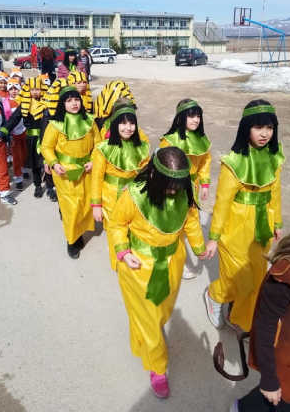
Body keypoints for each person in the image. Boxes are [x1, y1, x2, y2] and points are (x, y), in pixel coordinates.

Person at [107, 147, 211, 398]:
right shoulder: (133, 194)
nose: (173, 191)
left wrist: (199, 248)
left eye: (177, 186)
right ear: (153, 175)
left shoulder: (184, 191)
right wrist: (123, 251)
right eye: (169, 185)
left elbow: (191, 220)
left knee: (161, 312)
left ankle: (141, 338)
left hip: (173, 261)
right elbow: (117, 223)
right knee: (152, 320)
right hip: (139, 267)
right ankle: (158, 368)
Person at [228, 181, 290, 412]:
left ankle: (245, 406)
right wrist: (269, 379)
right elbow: (265, 327)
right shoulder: (289, 274)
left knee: (286, 397)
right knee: (284, 397)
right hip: (287, 362)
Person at [205, 100, 284, 334]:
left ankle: (241, 318)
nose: (265, 134)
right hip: (236, 228)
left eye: (269, 128)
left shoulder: (274, 156)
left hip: (262, 228)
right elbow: (222, 203)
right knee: (239, 279)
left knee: (257, 278)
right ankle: (214, 295)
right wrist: (213, 236)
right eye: (258, 127)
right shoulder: (234, 162)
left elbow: (276, 192)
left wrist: (278, 222)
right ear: (246, 128)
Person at [40, 85, 101, 258]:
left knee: (83, 205)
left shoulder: (90, 120)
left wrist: (92, 160)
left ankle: (79, 232)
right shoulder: (56, 125)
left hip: (86, 170)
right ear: (62, 104)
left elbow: (98, 143)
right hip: (65, 173)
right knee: (71, 207)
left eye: (76, 99)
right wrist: (53, 162)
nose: (74, 103)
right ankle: (71, 239)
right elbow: (46, 147)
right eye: (69, 100)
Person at [90, 103, 150, 267]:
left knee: (132, 228)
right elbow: (96, 178)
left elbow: (146, 171)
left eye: (131, 123)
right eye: (123, 123)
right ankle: (118, 264)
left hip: (134, 195)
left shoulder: (142, 147)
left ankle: (131, 259)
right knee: (114, 229)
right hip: (110, 197)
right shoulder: (104, 148)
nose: (128, 128)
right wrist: (96, 204)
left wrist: (136, 184)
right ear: (115, 124)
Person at [159, 99, 212, 280]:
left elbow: (204, 161)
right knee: (175, 224)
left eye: (198, 116)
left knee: (190, 222)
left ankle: (180, 258)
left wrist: (204, 183)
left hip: (192, 186)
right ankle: (175, 261)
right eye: (191, 116)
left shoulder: (201, 139)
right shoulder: (170, 140)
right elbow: (161, 164)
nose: (196, 120)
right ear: (181, 118)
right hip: (173, 188)